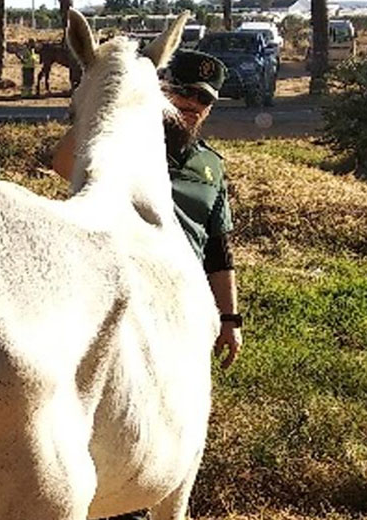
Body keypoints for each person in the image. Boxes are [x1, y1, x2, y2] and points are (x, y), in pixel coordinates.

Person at [51, 48, 242, 520]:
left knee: (171, 412)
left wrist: (230, 317)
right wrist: (111, 97)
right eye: (183, 92)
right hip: (115, 288)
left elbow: (219, 249)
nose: (192, 104)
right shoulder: (121, 144)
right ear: (160, 90)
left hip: (181, 304)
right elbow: (62, 163)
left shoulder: (211, 167)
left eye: (204, 99)